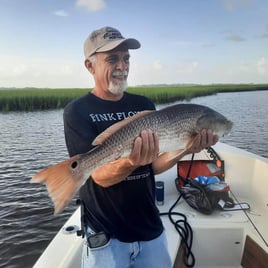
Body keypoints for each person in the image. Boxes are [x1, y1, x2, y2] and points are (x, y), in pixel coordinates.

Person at [63, 26, 218, 268]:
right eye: (112, 59)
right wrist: (130, 161)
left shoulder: (143, 103)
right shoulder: (78, 111)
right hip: (107, 237)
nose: (122, 66)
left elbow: (154, 166)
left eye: (126, 59)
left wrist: (186, 149)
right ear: (90, 66)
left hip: (150, 229)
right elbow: (99, 176)